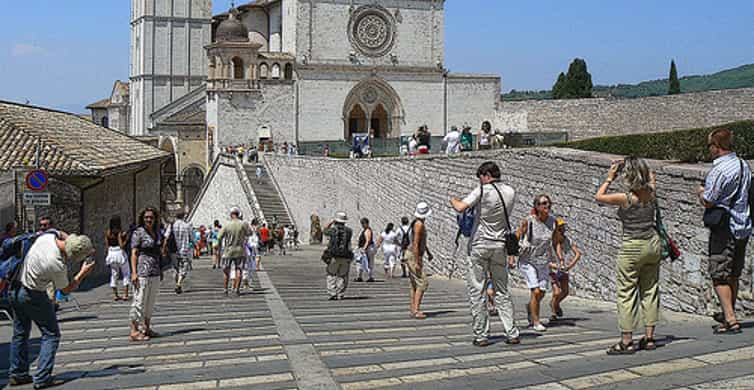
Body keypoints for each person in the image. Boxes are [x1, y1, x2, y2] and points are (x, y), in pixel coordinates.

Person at [8, 233, 96, 388]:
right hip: (33, 294)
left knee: (20, 332)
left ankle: (18, 374)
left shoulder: (48, 237)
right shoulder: (56, 264)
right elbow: (65, 290)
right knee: (51, 334)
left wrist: (79, 244)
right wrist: (82, 273)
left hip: (15, 287)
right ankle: (42, 377)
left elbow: (61, 233)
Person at [596, 157, 662, 354]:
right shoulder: (651, 191)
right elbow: (651, 178)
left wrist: (610, 177)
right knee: (650, 289)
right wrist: (644, 169)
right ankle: (649, 338)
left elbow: (598, 197)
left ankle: (626, 341)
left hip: (632, 246)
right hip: (652, 243)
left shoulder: (625, 197)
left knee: (626, 293)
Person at [451, 161, 520, 346]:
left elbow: (460, 207)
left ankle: (481, 335)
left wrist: (453, 199)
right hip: (500, 245)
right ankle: (512, 332)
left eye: (480, 177)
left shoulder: (482, 190)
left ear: (486, 175)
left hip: (480, 244)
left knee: (477, 290)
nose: (480, 181)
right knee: (502, 291)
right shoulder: (510, 191)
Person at [697, 128, 751, 334]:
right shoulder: (743, 165)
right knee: (734, 274)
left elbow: (710, 201)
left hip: (724, 228)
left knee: (719, 274)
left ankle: (730, 319)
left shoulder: (719, 170)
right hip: (743, 225)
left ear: (716, 147)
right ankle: (729, 312)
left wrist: (701, 192)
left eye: (709, 146)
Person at [515, 194, 556, 332]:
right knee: (536, 290)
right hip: (528, 261)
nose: (547, 206)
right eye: (544, 203)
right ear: (537, 207)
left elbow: (555, 241)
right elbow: (516, 237)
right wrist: (522, 232)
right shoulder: (529, 221)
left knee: (541, 293)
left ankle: (530, 308)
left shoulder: (552, 221)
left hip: (543, 261)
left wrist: (559, 258)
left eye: (549, 203)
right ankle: (536, 321)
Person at [129, 207, 165, 342]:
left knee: (150, 302)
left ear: (155, 218)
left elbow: (158, 253)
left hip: (154, 271)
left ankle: (146, 327)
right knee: (139, 300)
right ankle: (133, 330)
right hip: (142, 271)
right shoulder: (138, 232)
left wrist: (160, 270)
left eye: (151, 217)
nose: (148, 219)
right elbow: (134, 253)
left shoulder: (156, 233)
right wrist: (134, 272)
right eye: (146, 217)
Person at [549, 218, 582, 321]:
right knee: (557, 292)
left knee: (565, 292)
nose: (562, 230)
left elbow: (578, 253)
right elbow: (544, 260)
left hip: (563, 270)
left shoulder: (566, 240)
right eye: (560, 228)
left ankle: (555, 303)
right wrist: (555, 266)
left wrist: (570, 266)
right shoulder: (549, 242)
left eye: (563, 227)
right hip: (552, 270)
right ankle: (553, 313)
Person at [406, 202, 434, 319]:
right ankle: (416, 310)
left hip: (410, 254)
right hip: (413, 255)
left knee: (414, 284)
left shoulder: (417, 223)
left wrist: (427, 252)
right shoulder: (419, 225)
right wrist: (418, 261)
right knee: (423, 282)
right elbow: (416, 243)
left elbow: (419, 241)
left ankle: (413, 309)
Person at [218, 207, 252, 297]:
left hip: (228, 251)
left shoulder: (227, 224)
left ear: (231, 214)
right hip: (240, 250)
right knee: (239, 270)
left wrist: (220, 246)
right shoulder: (243, 224)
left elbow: (219, 237)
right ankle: (237, 289)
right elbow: (250, 233)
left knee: (226, 271)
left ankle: (225, 289)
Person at [323, 212, 353, 300]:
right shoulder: (349, 231)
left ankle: (332, 293)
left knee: (331, 274)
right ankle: (340, 293)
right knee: (343, 275)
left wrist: (331, 222)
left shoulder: (332, 230)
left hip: (333, 256)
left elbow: (324, 230)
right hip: (346, 256)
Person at [105, 216, 130, 301]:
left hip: (111, 253)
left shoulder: (108, 232)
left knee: (114, 274)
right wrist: (126, 239)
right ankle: (125, 294)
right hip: (119, 253)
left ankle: (115, 295)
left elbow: (107, 245)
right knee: (126, 273)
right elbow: (121, 245)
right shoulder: (119, 232)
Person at [168, 211, 193, 294]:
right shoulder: (186, 226)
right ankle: (179, 283)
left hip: (173, 251)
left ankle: (177, 283)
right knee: (184, 268)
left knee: (175, 268)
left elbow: (166, 236)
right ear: (183, 216)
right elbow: (191, 238)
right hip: (184, 250)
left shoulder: (172, 225)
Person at [355, 218, 375, 283]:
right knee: (362, 262)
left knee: (365, 262)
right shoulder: (366, 230)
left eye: (363, 223)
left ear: (366, 223)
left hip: (367, 249)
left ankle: (368, 277)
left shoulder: (367, 231)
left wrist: (364, 249)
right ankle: (360, 276)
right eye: (362, 223)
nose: (362, 225)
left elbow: (368, 240)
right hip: (366, 248)